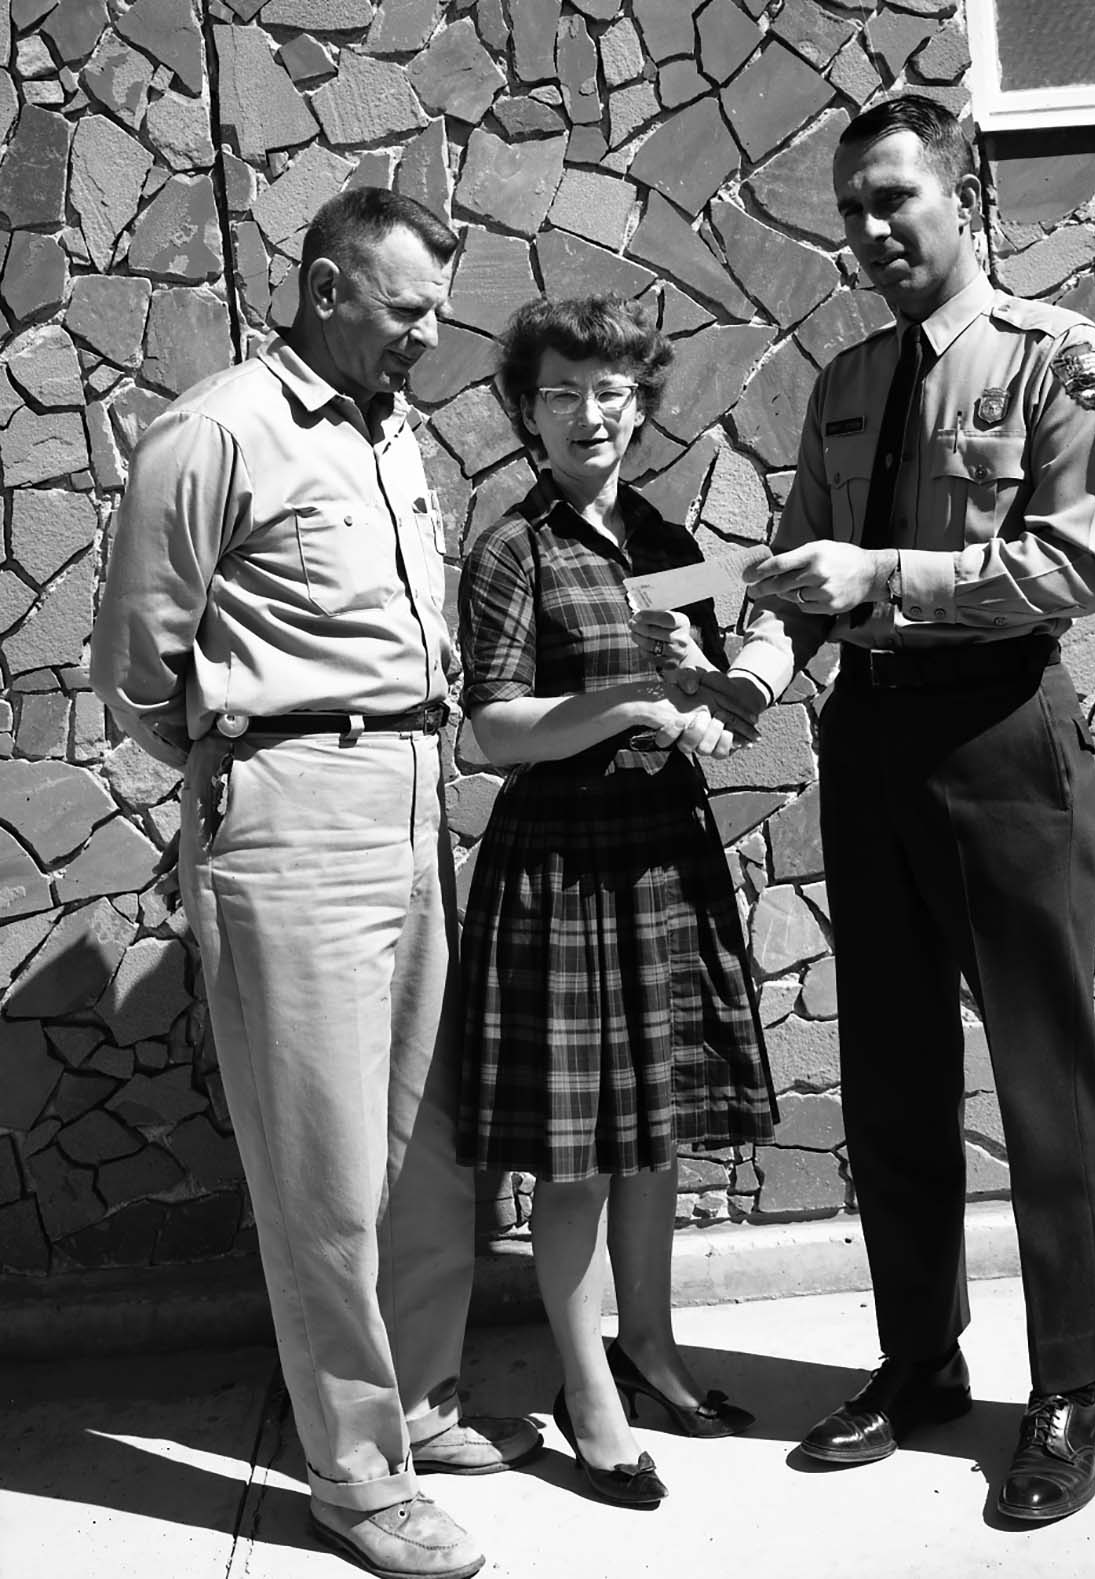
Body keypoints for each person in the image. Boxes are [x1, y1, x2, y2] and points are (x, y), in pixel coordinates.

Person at [694, 94, 1095, 1523]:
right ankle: (918, 1358)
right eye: (852, 209)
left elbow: (1075, 567)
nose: (872, 228)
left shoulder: (1058, 358)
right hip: (871, 738)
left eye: (895, 197)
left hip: (1000, 729)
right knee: (890, 1072)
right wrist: (751, 680)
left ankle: (1069, 1382)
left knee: (1045, 1076)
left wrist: (879, 575)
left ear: (966, 193)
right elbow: (792, 575)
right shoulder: (845, 380)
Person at [90, 187, 542, 1579]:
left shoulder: (392, 431)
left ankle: (414, 1403)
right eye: (407, 307)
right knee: (325, 1170)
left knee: (424, 1140)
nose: (429, 334)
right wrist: (254, 763)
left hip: (410, 804)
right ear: (327, 287)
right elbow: (136, 668)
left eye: (438, 310)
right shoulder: (217, 431)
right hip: (290, 808)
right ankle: (354, 1476)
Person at [456, 295, 777, 1507]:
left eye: (610, 390)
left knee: (655, 1134)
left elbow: (714, 706)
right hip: (564, 864)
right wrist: (631, 705)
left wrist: (708, 694)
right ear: (525, 410)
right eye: (560, 392)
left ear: (640, 403)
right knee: (581, 1154)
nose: (588, 413)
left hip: (664, 851)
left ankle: (651, 1347)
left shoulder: (669, 539)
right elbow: (492, 730)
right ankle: (586, 1385)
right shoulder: (512, 549)